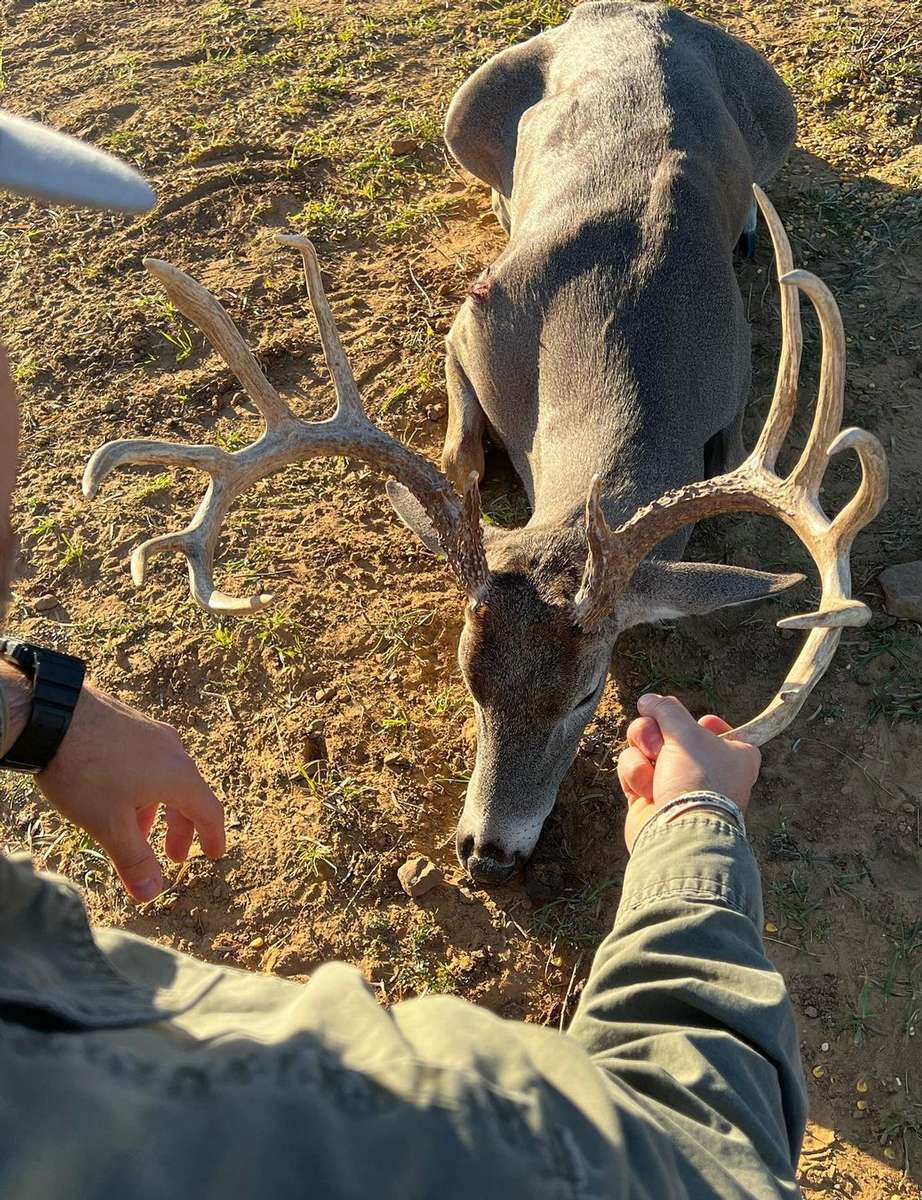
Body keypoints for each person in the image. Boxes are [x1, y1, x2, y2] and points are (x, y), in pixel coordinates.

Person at [0, 113, 805, 1199]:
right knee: (478, 117)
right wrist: (701, 832)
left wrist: (35, 712)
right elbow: (706, 1156)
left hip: (657, 119)